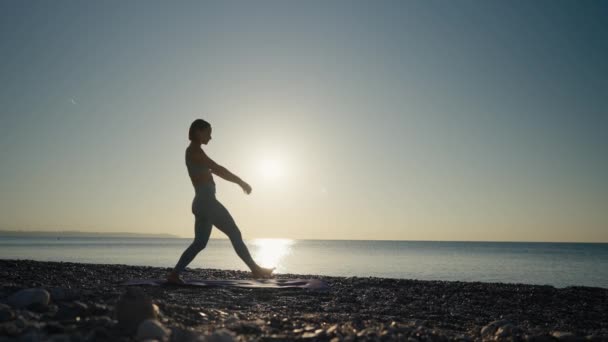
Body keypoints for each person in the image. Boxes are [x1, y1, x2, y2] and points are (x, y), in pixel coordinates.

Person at [166, 119, 275, 284]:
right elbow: (218, 169)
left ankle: (174, 275)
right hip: (207, 202)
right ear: (198, 132)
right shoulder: (194, 151)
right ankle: (256, 270)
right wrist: (241, 182)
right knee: (234, 233)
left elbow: (215, 170)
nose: (211, 137)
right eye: (208, 132)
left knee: (200, 243)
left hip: (201, 203)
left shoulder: (195, 152)